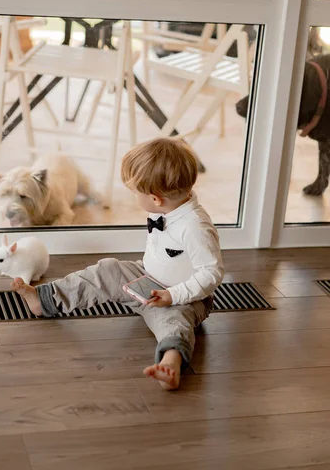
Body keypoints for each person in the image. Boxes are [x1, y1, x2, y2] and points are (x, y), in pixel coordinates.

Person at [12, 137, 224, 390]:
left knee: (174, 322)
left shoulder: (195, 227)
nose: (133, 196)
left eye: (135, 192)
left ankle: (171, 363)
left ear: (155, 199)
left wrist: (172, 295)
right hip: (147, 277)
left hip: (184, 296)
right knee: (107, 270)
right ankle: (46, 299)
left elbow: (212, 273)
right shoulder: (167, 205)